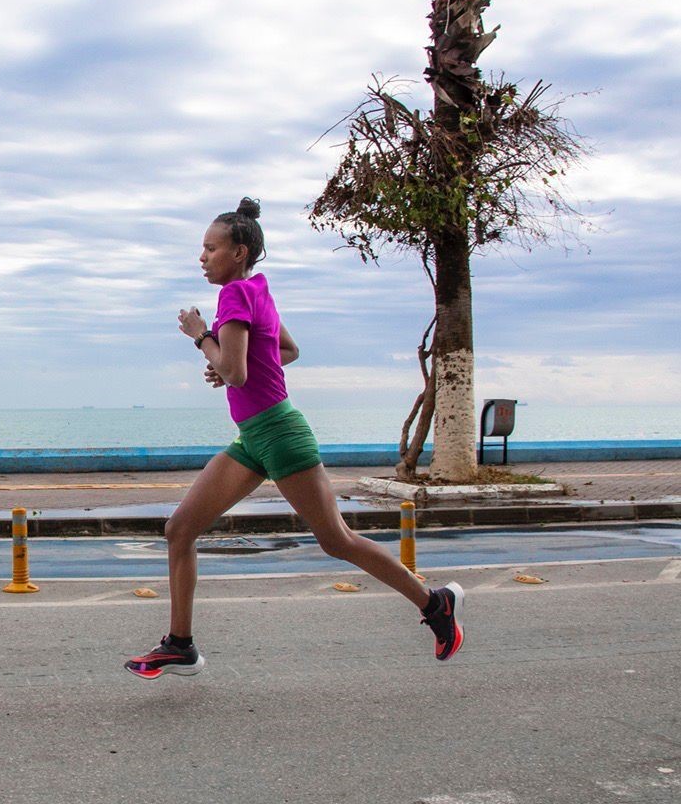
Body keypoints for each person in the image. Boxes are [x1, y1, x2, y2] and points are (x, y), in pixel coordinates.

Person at [124, 197, 464, 679]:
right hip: (253, 438)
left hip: (280, 434)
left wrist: (201, 337)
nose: (202, 257)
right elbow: (287, 349)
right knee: (180, 529)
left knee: (337, 540)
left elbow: (237, 371)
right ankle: (180, 645)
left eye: (210, 248)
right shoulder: (258, 290)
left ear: (238, 252)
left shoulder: (235, 296)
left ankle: (436, 605)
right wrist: (230, 366)